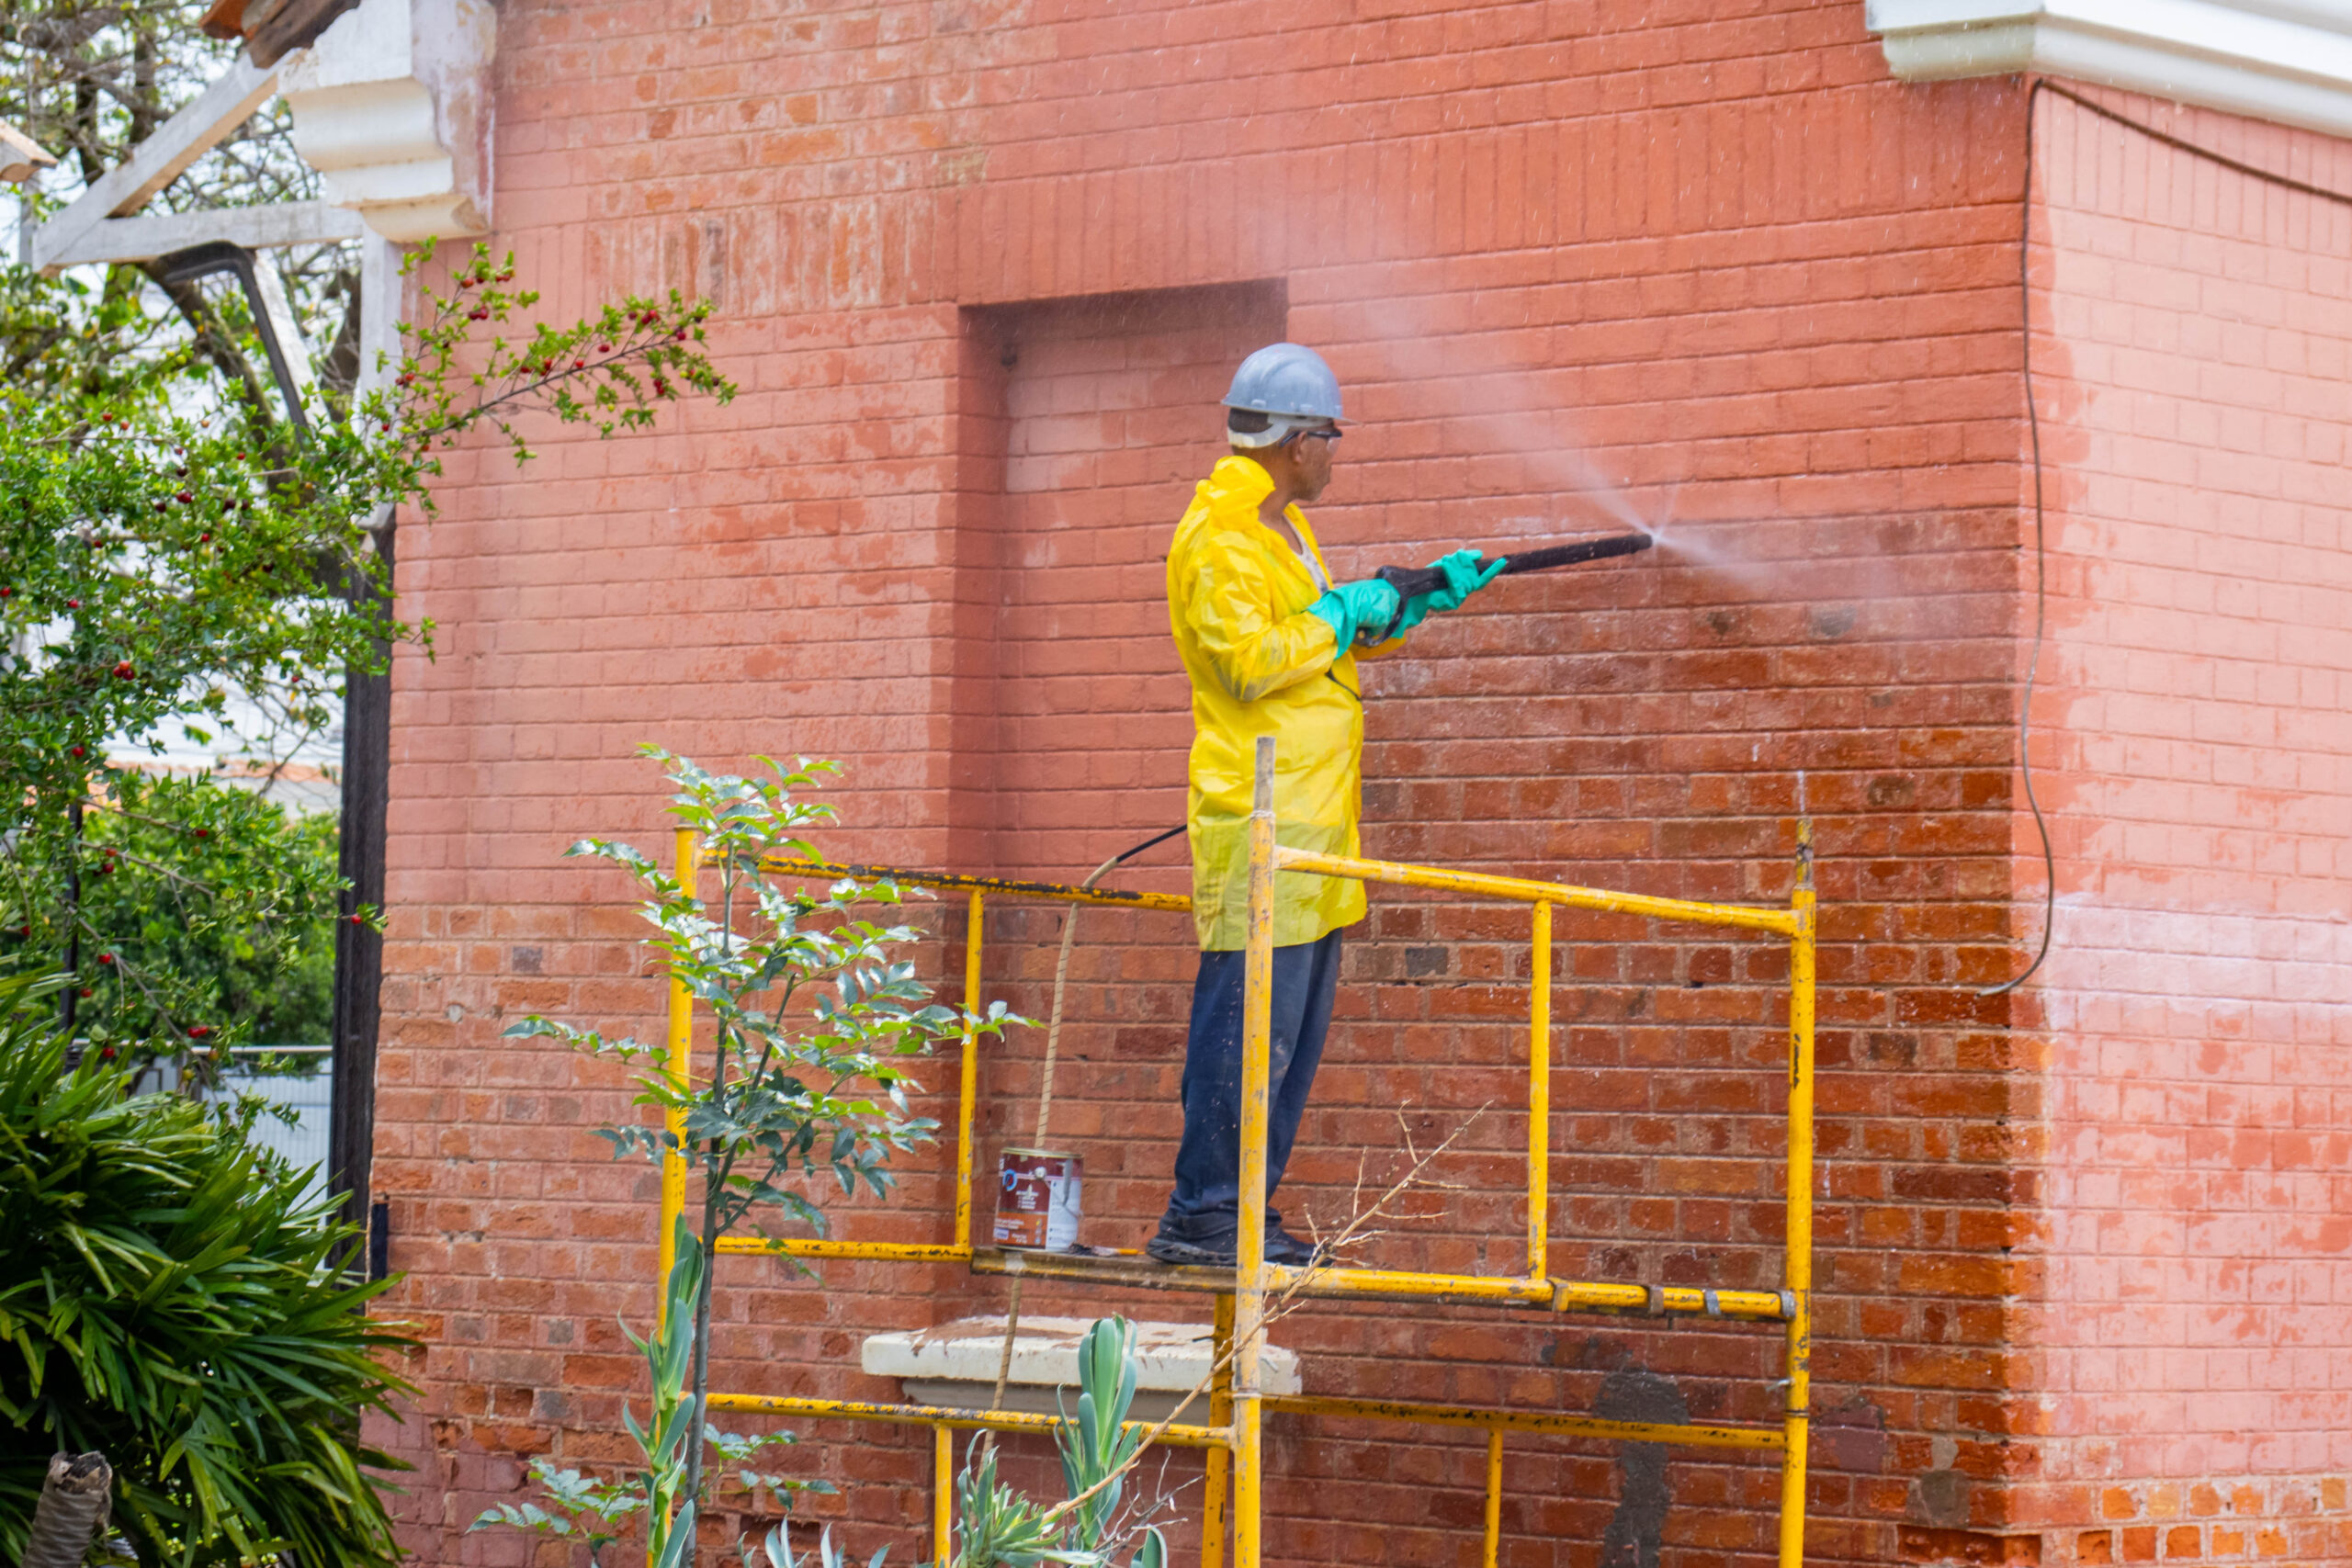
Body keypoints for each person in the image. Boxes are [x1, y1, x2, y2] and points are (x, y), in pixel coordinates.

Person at [1148, 342, 1502, 1268]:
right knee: (1243, 1034)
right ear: (1296, 441)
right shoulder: (1220, 537)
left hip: (1307, 829)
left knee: (1284, 1051)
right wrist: (1346, 609)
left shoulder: (1275, 531)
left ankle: (1241, 1214)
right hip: (1257, 828)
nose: (1339, 454)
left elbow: (1314, 648)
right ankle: (1204, 1216)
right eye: (1332, 437)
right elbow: (1247, 661)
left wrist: (1404, 603)